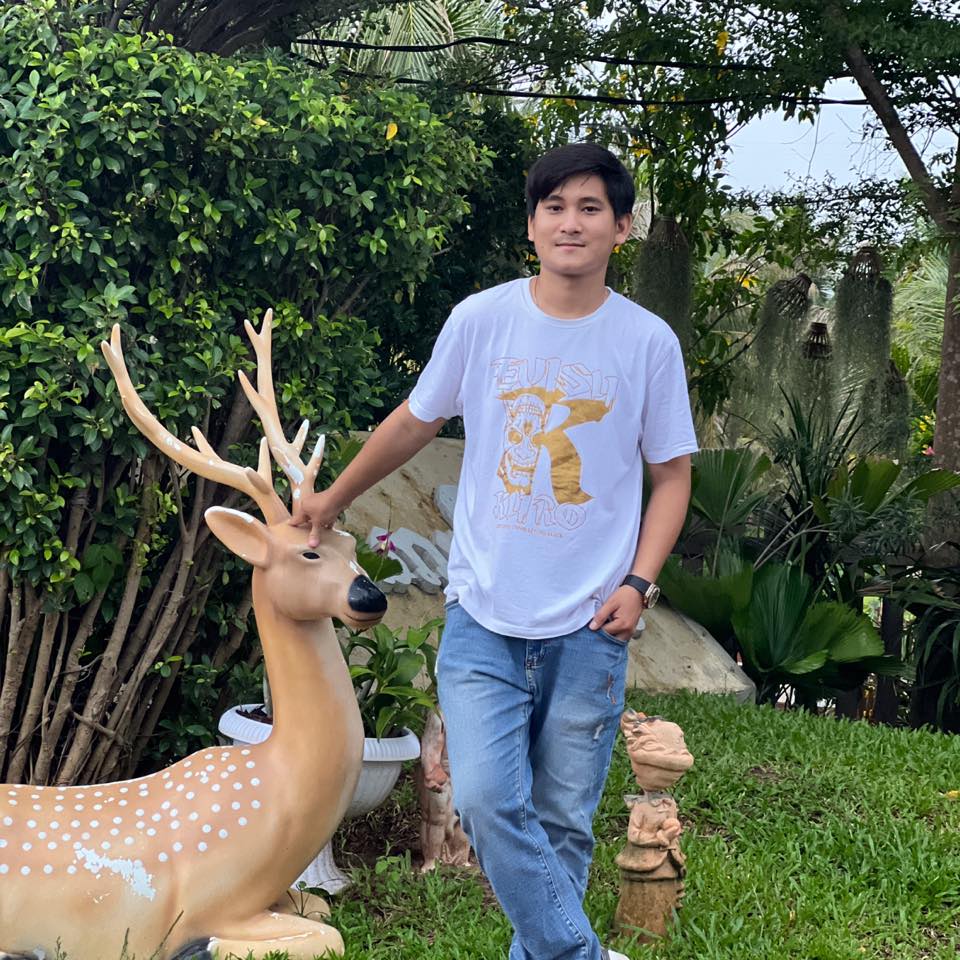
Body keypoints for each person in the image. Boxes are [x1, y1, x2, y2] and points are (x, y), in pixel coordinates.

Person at [291, 142, 697, 960]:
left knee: (563, 821)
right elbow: (417, 421)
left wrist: (640, 583)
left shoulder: (646, 342)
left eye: (590, 208)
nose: (570, 223)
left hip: (592, 622)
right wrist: (332, 498)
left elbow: (672, 475)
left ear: (621, 227)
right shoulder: (482, 320)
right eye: (554, 207)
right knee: (482, 800)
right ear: (532, 223)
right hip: (483, 615)